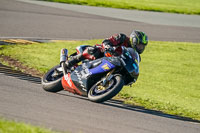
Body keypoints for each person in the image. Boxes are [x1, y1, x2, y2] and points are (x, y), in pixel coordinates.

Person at [62, 30, 148, 68]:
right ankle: (70, 62)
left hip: (115, 62)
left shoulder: (135, 55)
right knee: (94, 51)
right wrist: (108, 47)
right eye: (140, 45)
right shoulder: (122, 37)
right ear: (134, 40)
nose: (141, 47)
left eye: (143, 46)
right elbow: (107, 41)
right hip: (105, 53)